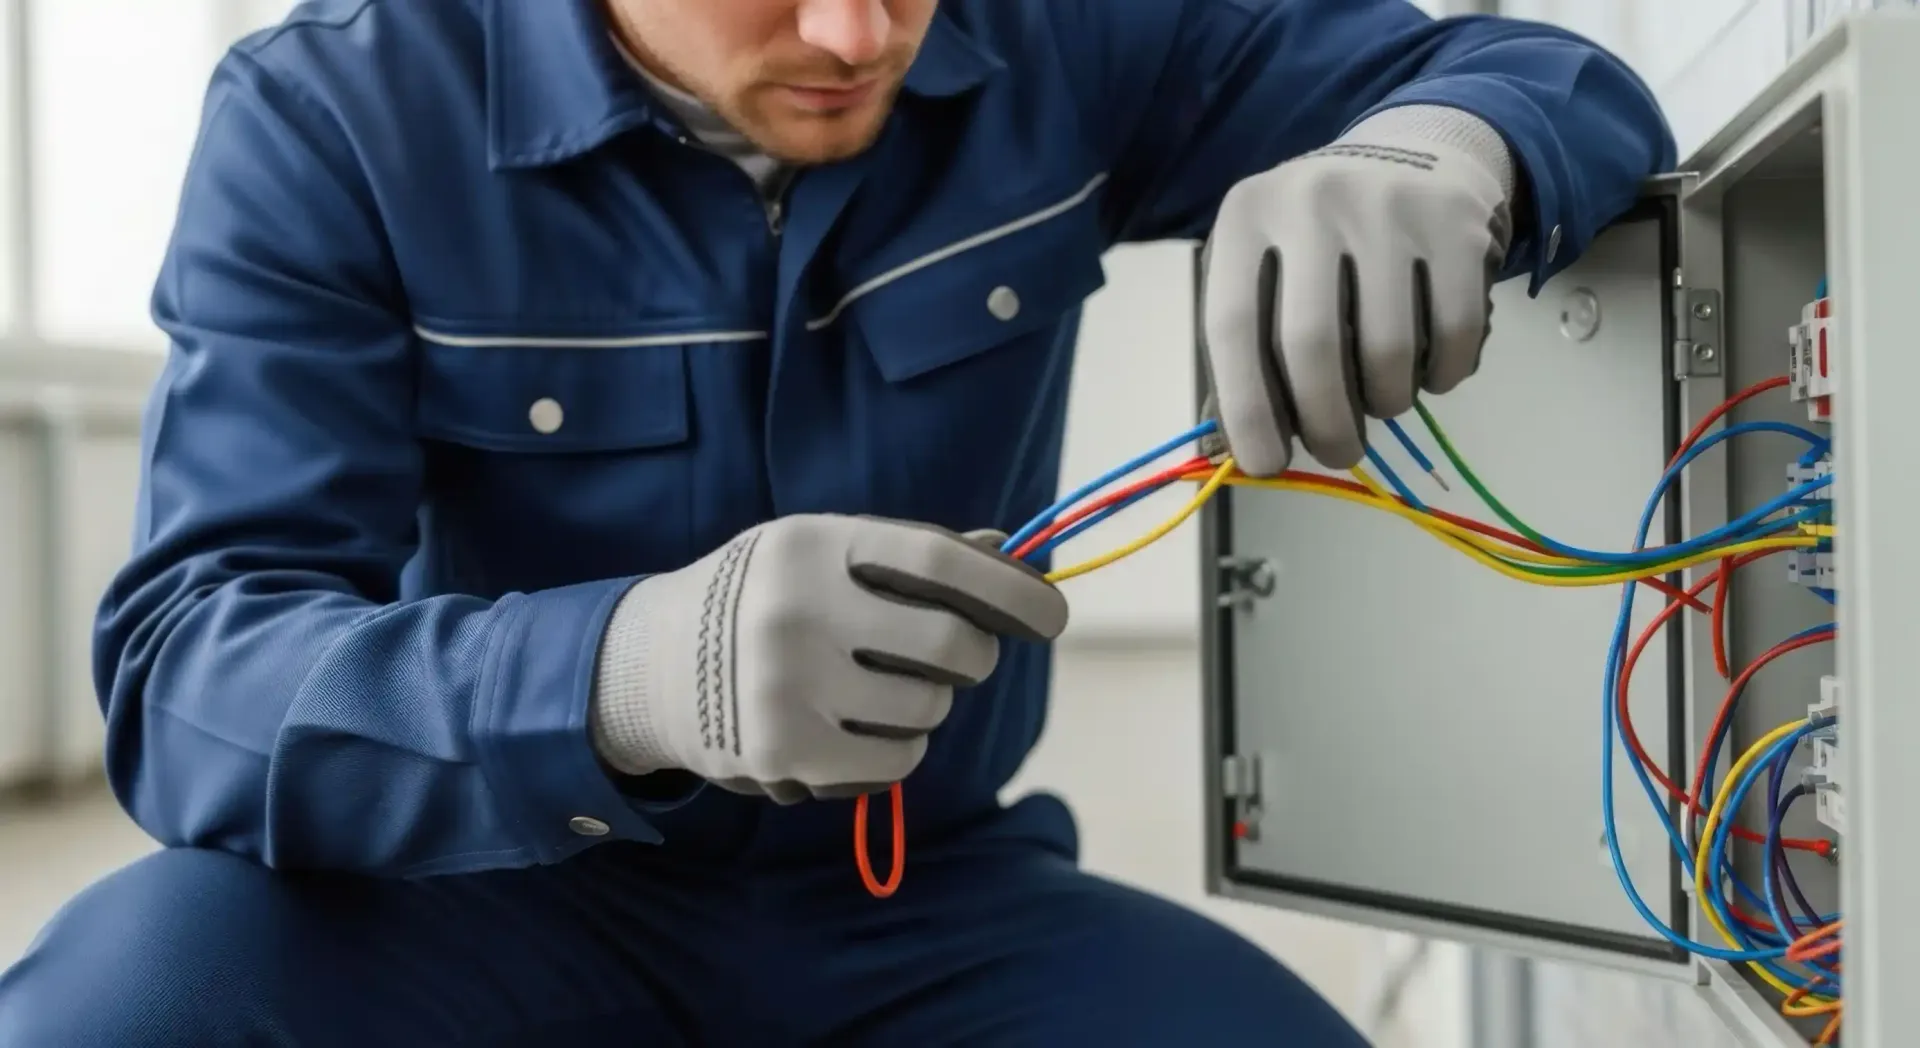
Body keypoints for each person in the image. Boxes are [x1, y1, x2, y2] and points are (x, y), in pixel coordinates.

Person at [0, 0, 1675, 1043]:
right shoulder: (336, 116)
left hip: (923, 907)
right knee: (118, 1004)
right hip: (477, 892)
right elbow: (190, 674)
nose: (863, 32)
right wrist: (627, 675)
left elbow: (1547, 73)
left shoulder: (1060, 33)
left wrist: (1439, 150)